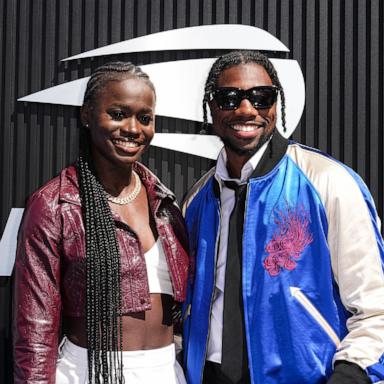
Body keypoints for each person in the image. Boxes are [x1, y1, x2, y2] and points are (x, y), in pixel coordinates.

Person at [182, 50, 384, 384]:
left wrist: (351, 374)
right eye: (228, 98)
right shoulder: (198, 199)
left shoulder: (327, 182)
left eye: (261, 97)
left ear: (277, 104)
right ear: (211, 107)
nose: (246, 109)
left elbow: (376, 307)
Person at [13, 62, 189, 383]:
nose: (134, 129)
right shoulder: (54, 204)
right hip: (90, 371)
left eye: (145, 118)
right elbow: (35, 328)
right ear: (86, 116)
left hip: (167, 371)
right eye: (118, 113)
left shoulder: (164, 202)